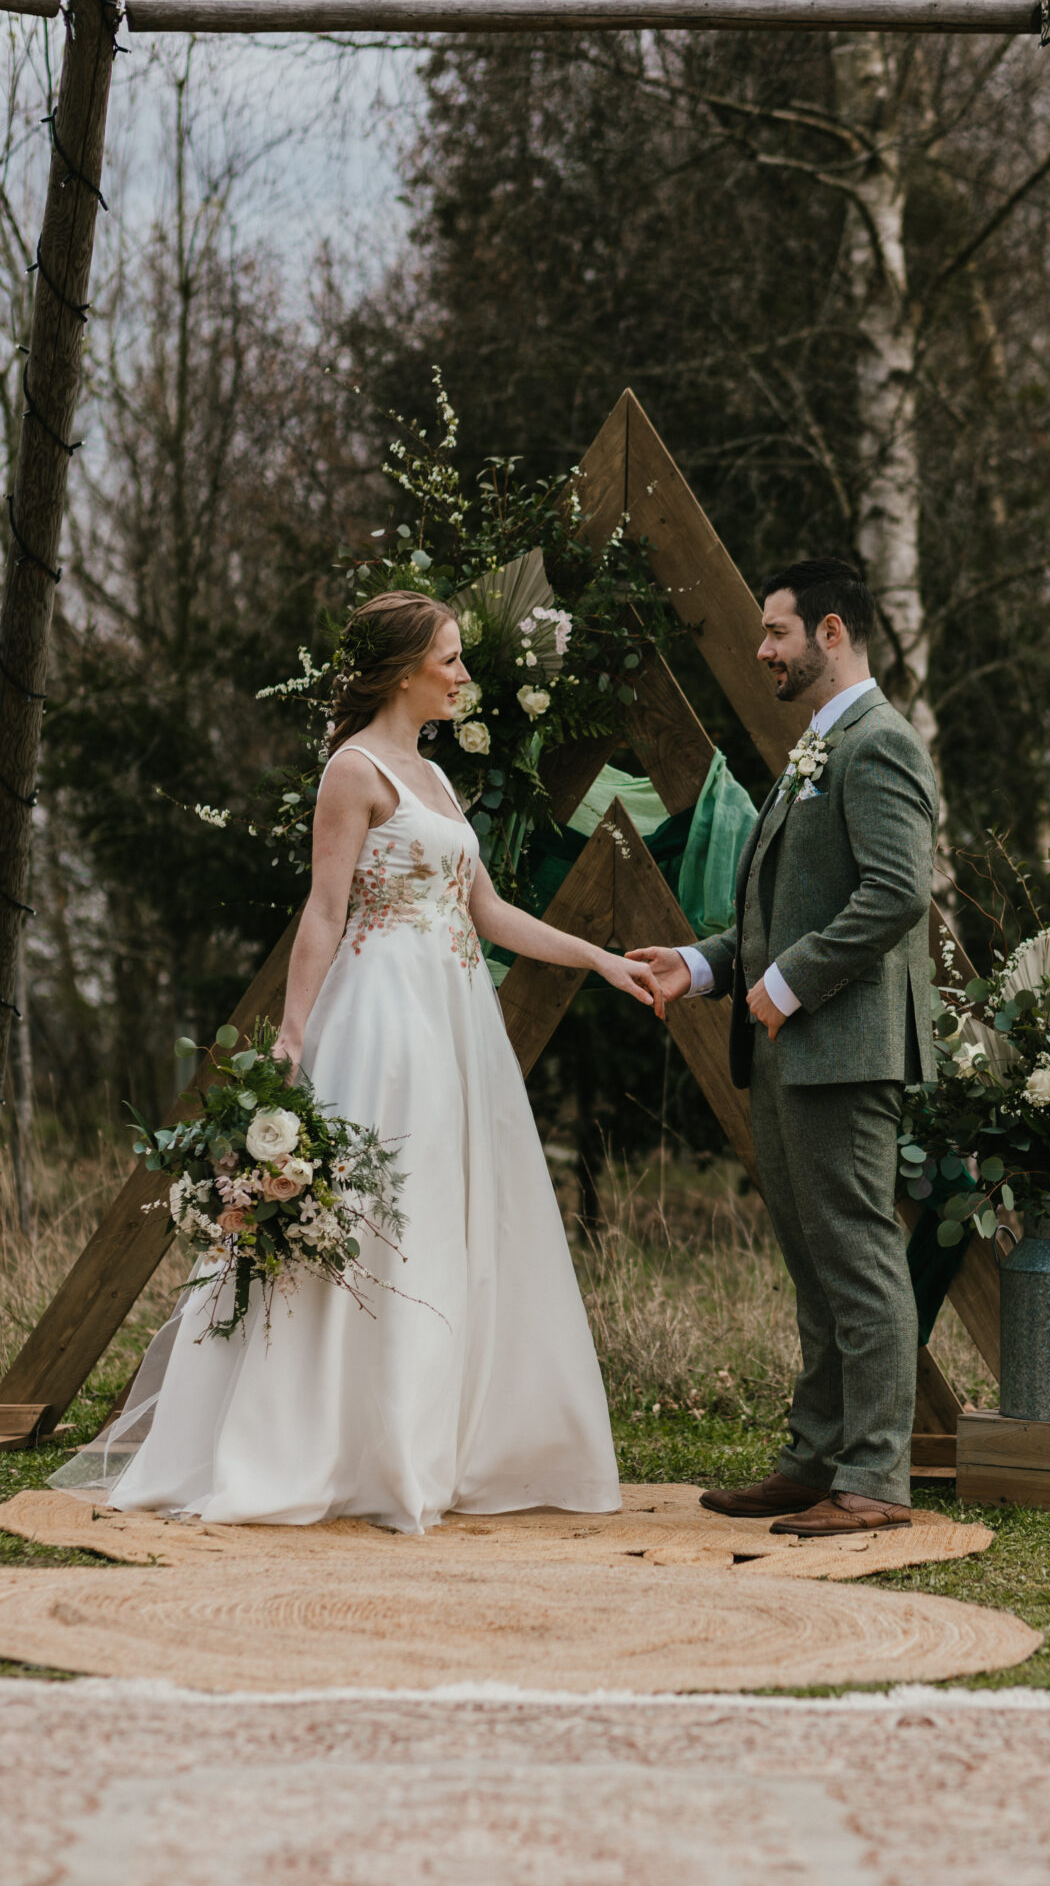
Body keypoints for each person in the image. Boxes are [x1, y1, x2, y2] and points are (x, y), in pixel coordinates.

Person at [65, 591, 656, 1532]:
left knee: (448, 1214)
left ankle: (436, 1442)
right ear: (401, 671)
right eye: (451, 659)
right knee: (382, 1212)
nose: (464, 675)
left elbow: (487, 913)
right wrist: (293, 1041)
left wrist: (599, 959)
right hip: (384, 1020)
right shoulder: (355, 769)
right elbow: (324, 911)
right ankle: (337, 1445)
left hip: (457, 1017)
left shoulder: (437, 778)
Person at [629, 560, 938, 1537]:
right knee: (816, 1266)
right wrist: (699, 965)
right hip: (792, 1048)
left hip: (847, 1048)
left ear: (832, 632)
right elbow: (776, 915)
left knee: (859, 1260)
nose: (763, 649)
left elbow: (896, 894)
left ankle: (877, 1478)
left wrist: (790, 984)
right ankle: (814, 1462)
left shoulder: (880, 744)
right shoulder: (817, 746)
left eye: (777, 632)